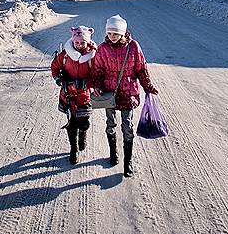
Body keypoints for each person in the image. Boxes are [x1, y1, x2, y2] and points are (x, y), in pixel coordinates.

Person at [91, 14, 158, 178]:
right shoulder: (102, 48)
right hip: (109, 93)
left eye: (116, 33)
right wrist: (98, 85)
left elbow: (141, 69)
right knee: (110, 123)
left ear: (123, 33)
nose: (112, 37)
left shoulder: (133, 47)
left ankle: (127, 162)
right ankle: (113, 154)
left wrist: (148, 86)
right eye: (110, 33)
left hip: (128, 93)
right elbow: (97, 70)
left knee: (127, 126)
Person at [50, 25, 97, 164]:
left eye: (82, 42)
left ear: (87, 42)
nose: (79, 45)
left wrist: (87, 83)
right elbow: (54, 67)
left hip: (84, 95)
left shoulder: (92, 56)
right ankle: (73, 149)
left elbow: (97, 73)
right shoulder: (65, 55)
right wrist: (58, 79)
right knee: (71, 123)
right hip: (68, 94)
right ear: (73, 41)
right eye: (77, 42)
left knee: (84, 122)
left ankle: (83, 134)